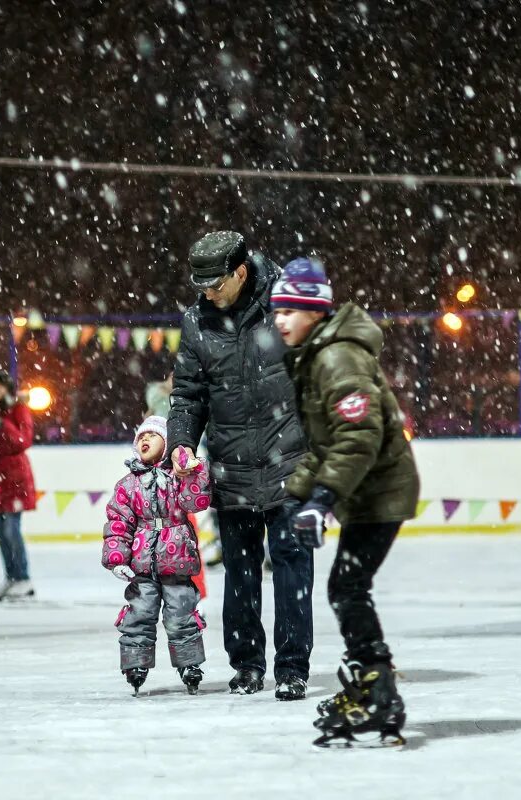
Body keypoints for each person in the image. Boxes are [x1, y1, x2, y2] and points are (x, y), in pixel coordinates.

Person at [271, 258, 419, 747]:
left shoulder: (336, 358)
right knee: (347, 587)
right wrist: (297, 495)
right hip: (369, 489)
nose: (279, 320)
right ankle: (373, 679)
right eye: (276, 311)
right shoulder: (316, 355)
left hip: (380, 490)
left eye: (289, 309)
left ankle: (379, 688)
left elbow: (358, 437)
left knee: (347, 587)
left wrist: (324, 498)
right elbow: (326, 446)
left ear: (314, 311)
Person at [167, 230, 314, 700]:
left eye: (215, 284)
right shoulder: (196, 322)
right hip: (231, 468)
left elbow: (317, 373)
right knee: (241, 572)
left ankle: (292, 667)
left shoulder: (285, 306)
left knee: (292, 567)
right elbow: (188, 395)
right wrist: (181, 443)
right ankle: (247, 664)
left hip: (289, 462)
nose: (207, 293)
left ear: (241, 273)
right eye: (201, 285)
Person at [102, 415, 210, 695]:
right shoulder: (128, 485)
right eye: (141, 437)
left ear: (168, 443)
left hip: (177, 562)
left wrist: (192, 471)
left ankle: (189, 664)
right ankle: (136, 664)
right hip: (142, 564)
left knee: (181, 615)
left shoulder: (178, 477)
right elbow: (118, 523)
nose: (144, 440)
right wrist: (117, 559)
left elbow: (196, 501)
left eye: (152, 435)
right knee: (139, 613)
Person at [0, 371, 39, 602]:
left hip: (16, 474)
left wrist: (3, 425)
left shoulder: (18, 410)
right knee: (1, 532)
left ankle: (23, 577)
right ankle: (11, 577)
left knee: (12, 529)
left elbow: (24, 440)